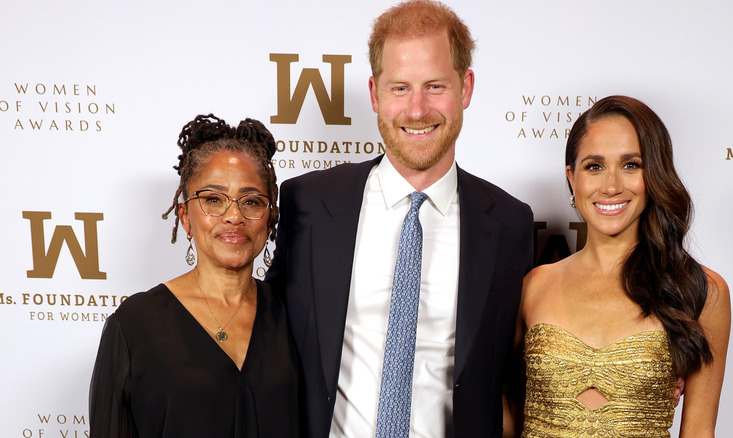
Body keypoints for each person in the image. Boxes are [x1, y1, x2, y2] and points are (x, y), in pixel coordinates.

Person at [265, 1, 534, 437]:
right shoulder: (309, 204)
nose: (416, 109)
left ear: (465, 88)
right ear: (374, 93)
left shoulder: (510, 224)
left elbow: (519, 375)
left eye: (435, 86)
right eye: (399, 88)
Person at [519, 95, 730, 436]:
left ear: (656, 174)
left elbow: (699, 431)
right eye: (594, 166)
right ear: (573, 178)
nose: (612, 186)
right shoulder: (533, 285)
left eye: (631, 165)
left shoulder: (700, 290)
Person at [89, 114, 298, 437]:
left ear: (270, 219)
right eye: (213, 199)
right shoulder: (135, 325)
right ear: (185, 217)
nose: (233, 216)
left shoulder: (294, 317)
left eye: (251, 202)